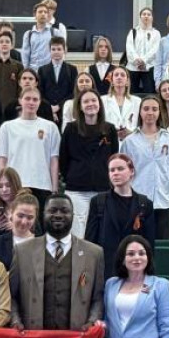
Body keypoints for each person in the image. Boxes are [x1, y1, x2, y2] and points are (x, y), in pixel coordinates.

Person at [9, 194, 104, 330]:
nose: (58, 215)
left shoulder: (94, 253)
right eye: (52, 210)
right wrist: (16, 322)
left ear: (73, 215)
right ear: (43, 214)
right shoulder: (22, 252)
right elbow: (12, 296)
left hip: (77, 337)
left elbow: (98, 298)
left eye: (64, 211)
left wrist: (92, 322)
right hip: (34, 336)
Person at [120, 95, 169, 240]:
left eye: (154, 109)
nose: (150, 112)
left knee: (163, 246)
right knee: (139, 245)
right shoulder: (129, 142)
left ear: (160, 112)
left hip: (165, 202)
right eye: (146, 109)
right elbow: (124, 173)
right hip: (138, 202)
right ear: (140, 112)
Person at [86, 154, 156, 279]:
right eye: (112, 170)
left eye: (120, 169)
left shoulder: (145, 204)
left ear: (131, 171)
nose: (115, 173)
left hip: (134, 272)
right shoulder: (98, 202)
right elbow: (90, 241)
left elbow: (149, 244)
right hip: (105, 270)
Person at [61, 89, 119, 237]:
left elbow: (114, 158)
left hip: (103, 189)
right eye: (86, 101)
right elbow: (63, 159)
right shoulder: (70, 129)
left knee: (103, 233)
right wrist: (74, 176)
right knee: (78, 235)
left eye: (94, 100)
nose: (90, 104)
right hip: (77, 190)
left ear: (100, 104)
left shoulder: (110, 129)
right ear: (80, 106)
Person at [0, 87, 60, 204]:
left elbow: (54, 159)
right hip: (15, 184)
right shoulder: (7, 127)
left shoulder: (50, 127)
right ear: (20, 100)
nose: (31, 102)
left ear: (40, 102)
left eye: (35, 99)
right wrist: (4, 184)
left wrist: (54, 188)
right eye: (27, 98)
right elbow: (3, 159)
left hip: (42, 184)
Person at [125, 7, 161, 94]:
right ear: (140, 17)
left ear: (152, 18)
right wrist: (137, 60)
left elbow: (155, 50)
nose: (146, 16)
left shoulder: (156, 33)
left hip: (149, 68)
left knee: (149, 93)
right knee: (132, 94)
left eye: (149, 14)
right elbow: (129, 48)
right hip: (133, 68)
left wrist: (144, 60)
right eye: (144, 14)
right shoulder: (133, 32)